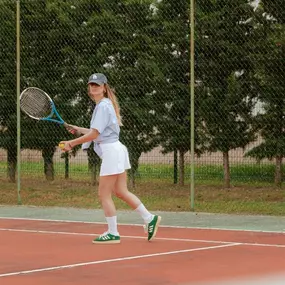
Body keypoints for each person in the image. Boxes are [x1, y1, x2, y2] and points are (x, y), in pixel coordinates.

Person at [59, 73, 161, 244]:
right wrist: (78, 129)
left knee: (103, 194)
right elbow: (98, 132)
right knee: (121, 191)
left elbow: (95, 134)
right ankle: (149, 218)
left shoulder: (102, 107)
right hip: (117, 149)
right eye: (91, 85)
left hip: (112, 152)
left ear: (104, 88)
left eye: (97, 85)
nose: (94, 87)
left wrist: (72, 143)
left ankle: (113, 233)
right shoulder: (105, 105)